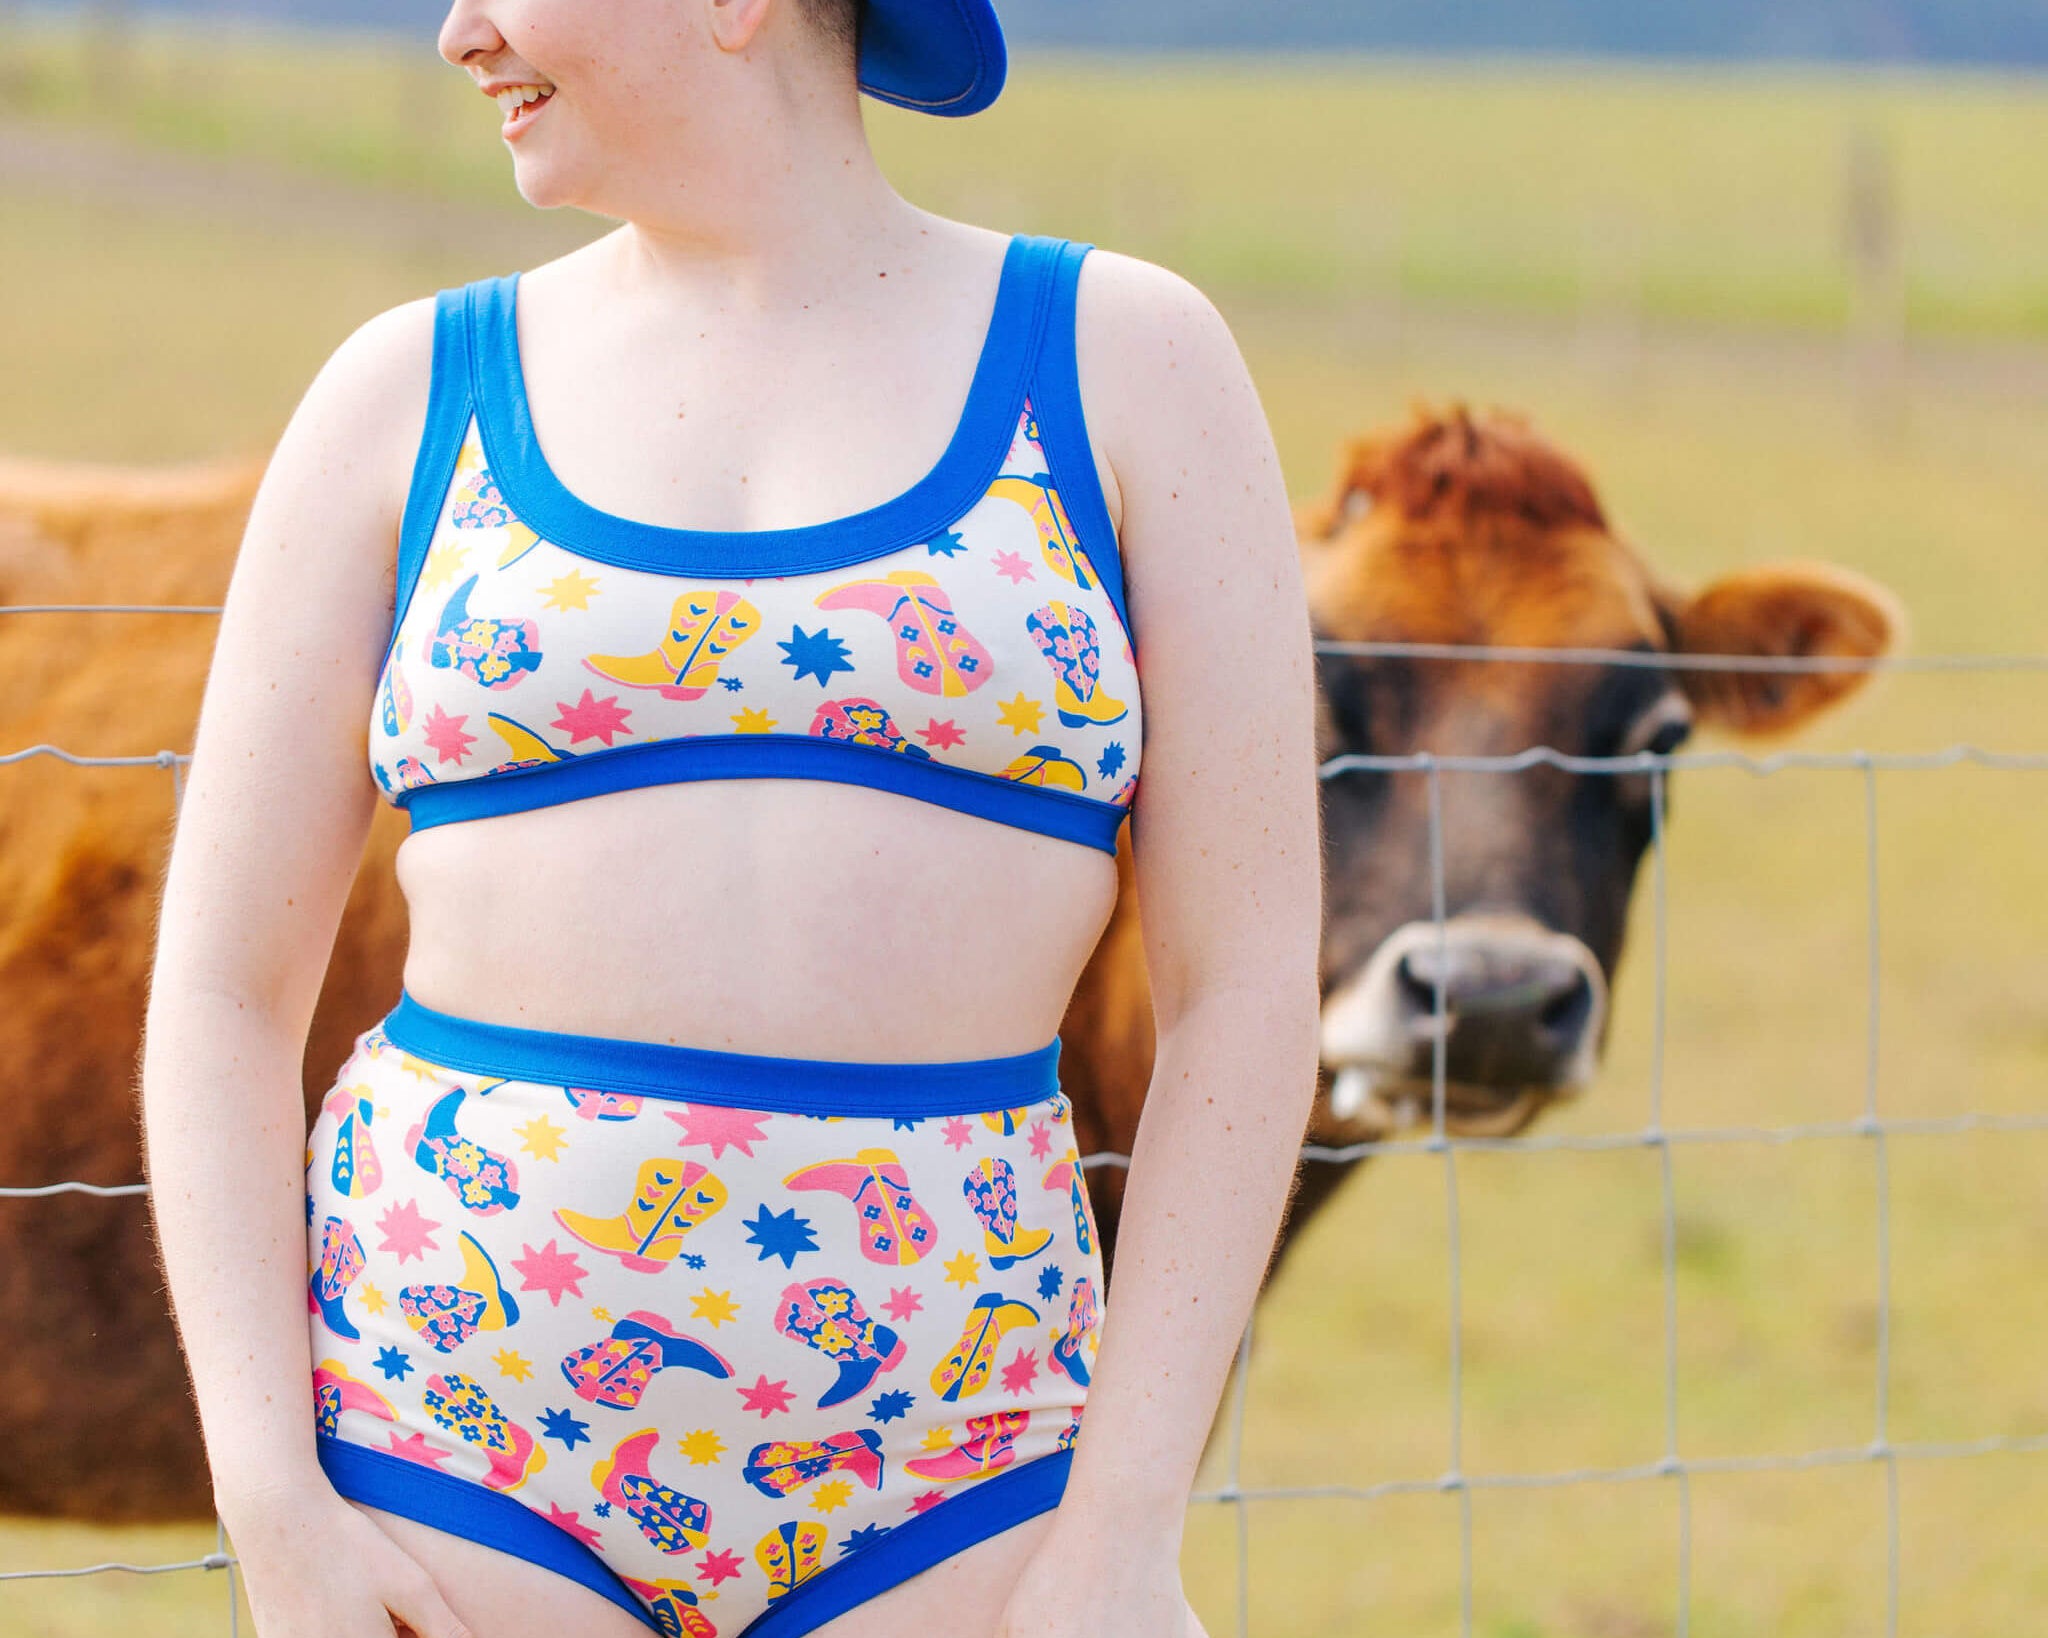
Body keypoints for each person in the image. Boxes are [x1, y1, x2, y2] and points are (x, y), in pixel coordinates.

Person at [139, 1, 1322, 1634]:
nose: (456, 31)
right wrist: (273, 1504)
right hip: (451, 1464)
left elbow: (1245, 989)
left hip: (964, 1481)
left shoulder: (1128, 361)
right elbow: (216, 991)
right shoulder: (406, 393)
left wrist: (1122, 1534)